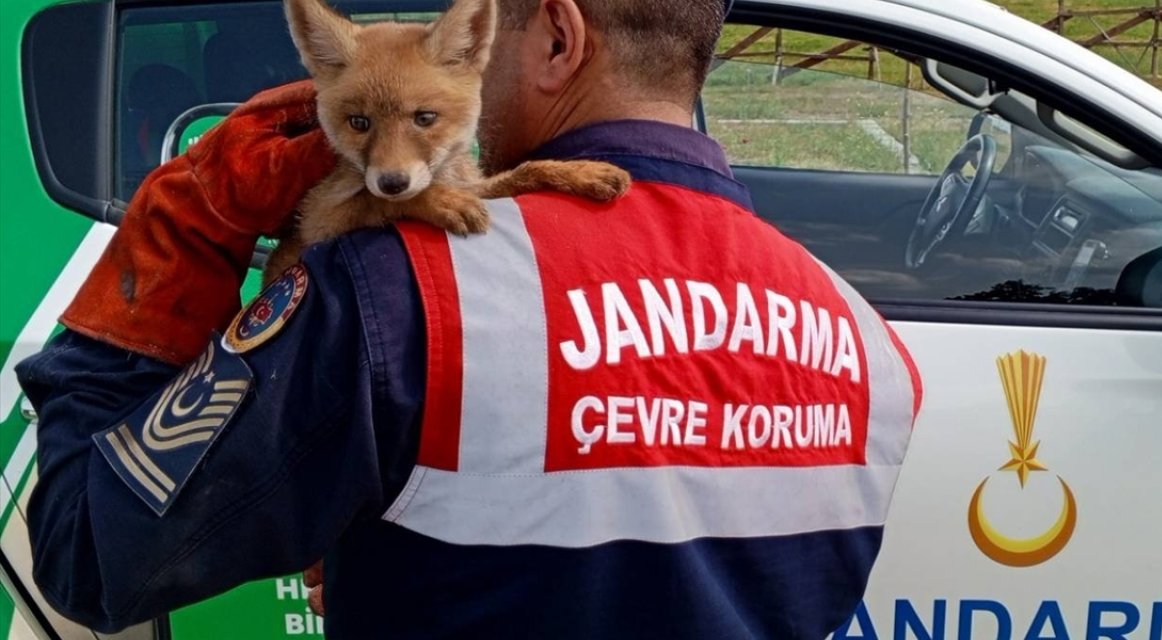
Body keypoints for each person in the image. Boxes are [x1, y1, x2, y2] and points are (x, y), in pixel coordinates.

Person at [17, 0, 922, 637]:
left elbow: (88, 553)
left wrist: (172, 243)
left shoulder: (395, 294)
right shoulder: (868, 343)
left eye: (501, 34)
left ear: (559, 37)